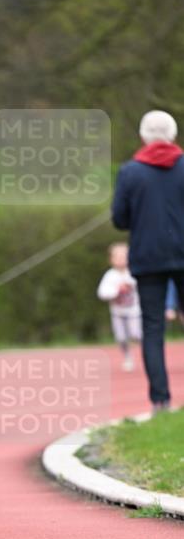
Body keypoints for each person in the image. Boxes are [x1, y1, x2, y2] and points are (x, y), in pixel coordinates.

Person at [111, 110, 184, 412]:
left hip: (147, 257)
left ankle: (160, 399)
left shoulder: (130, 172)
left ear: (143, 136)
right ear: (173, 134)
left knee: (152, 328)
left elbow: (119, 219)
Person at [96, 243, 142, 371]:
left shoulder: (134, 272)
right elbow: (102, 293)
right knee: (121, 338)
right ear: (111, 259)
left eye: (124, 256)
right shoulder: (110, 276)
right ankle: (127, 357)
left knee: (136, 334)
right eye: (118, 257)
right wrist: (117, 291)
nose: (122, 259)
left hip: (134, 312)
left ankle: (148, 352)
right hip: (117, 313)